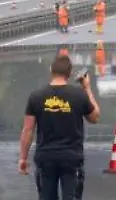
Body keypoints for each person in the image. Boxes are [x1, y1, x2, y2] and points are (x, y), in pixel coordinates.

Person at [19, 55, 101, 200]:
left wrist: (23, 158)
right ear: (69, 73)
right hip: (71, 158)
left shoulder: (36, 96)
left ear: (51, 70)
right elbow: (94, 117)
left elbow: (28, 129)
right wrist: (87, 88)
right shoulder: (78, 95)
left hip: (46, 157)